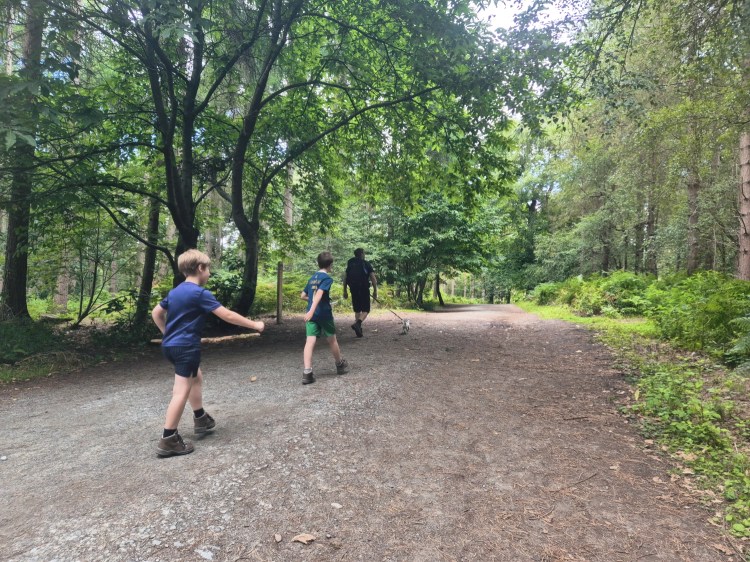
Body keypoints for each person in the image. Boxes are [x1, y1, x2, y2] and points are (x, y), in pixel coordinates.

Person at [151, 249, 265, 457]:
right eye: (208, 269)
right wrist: (254, 324)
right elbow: (227, 315)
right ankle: (168, 439)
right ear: (200, 268)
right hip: (186, 347)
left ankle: (200, 417)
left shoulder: (175, 292)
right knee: (181, 390)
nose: (209, 273)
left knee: (196, 376)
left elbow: (156, 313)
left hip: (171, 346)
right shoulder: (199, 293)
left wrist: (167, 333)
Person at [301, 251, 350, 385]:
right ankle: (340, 364)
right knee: (332, 340)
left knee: (309, 341)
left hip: (312, 315)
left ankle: (307, 372)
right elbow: (320, 294)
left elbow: (303, 295)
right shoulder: (327, 278)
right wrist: (313, 309)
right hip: (323, 314)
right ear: (330, 265)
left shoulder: (312, 278)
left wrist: (310, 307)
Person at [343, 248, 377, 337]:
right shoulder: (366, 264)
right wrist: (375, 291)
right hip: (364, 288)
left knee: (357, 309)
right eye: (364, 253)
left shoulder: (350, 263)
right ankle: (358, 324)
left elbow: (345, 278)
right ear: (362, 254)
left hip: (353, 288)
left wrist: (345, 290)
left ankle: (359, 329)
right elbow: (373, 278)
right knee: (366, 309)